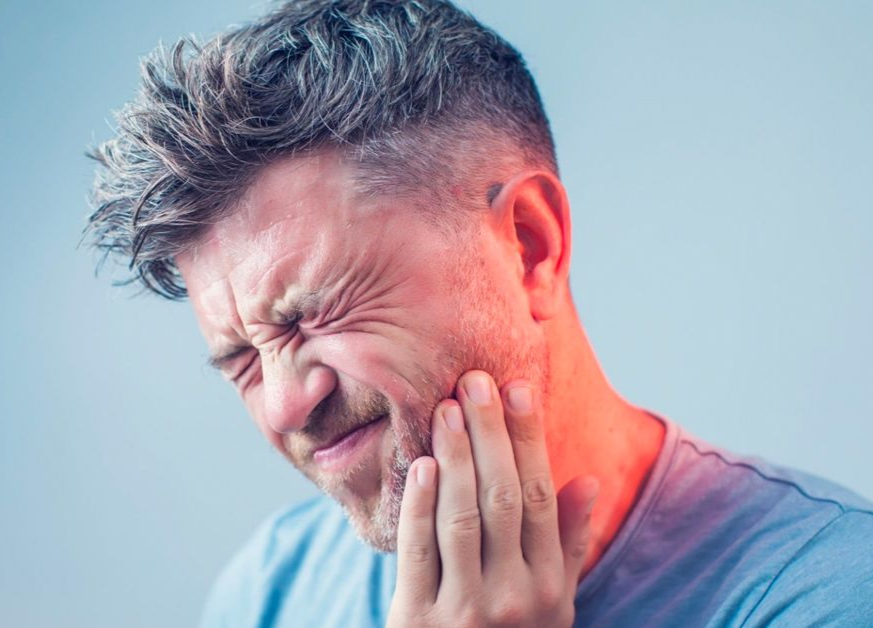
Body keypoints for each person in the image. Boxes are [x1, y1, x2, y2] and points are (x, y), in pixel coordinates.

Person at [84, 1, 873, 625]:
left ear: (529, 245)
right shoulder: (268, 593)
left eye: (314, 314)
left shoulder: (828, 597)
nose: (287, 403)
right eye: (242, 362)